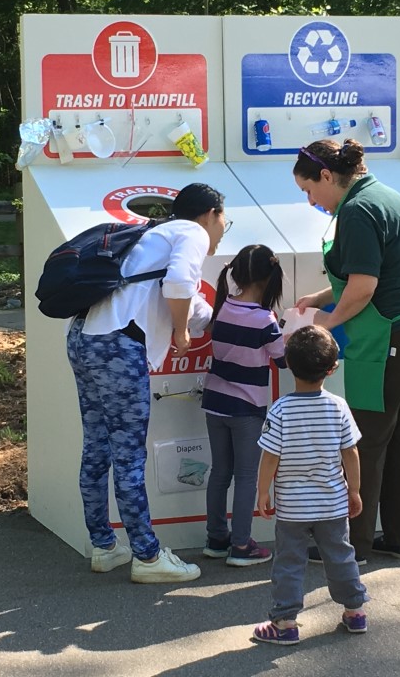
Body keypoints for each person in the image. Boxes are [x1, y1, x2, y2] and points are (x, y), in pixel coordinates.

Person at [293, 138, 400, 565]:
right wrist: (322, 297)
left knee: (364, 440)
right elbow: (368, 273)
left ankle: (351, 547)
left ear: (327, 176)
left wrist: (325, 323)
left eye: (309, 191)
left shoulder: (357, 211)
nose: (310, 201)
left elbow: (364, 288)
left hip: (389, 338)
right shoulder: (386, 195)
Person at [67, 182, 229, 583]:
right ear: (211, 213)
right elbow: (177, 287)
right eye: (225, 220)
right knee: (128, 456)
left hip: (84, 339)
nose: (223, 228)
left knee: (97, 446)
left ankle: (104, 546)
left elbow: (190, 304)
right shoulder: (191, 231)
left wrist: (210, 318)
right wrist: (180, 334)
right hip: (118, 350)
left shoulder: (153, 235)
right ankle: (148, 555)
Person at [252, 324, 367, 645]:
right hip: (332, 503)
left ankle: (285, 622)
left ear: (287, 364)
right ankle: (355, 611)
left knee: (288, 563)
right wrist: (354, 490)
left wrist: (263, 492)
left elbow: (270, 457)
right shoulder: (338, 407)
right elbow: (351, 452)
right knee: (341, 556)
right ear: (333, 368)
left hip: (293, 509)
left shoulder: (280, 410)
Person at [200, 244, 287, 567]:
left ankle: (216, 538)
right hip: (247, 407)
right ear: (269, 279)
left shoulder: (223, 308)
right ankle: (242, 545)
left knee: (220, 471)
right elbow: (283, 361)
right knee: (247, 475)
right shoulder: (265, 319)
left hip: (215, 401)